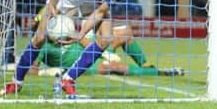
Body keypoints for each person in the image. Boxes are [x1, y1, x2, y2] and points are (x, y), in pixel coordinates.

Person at [1, 0, 142, 97]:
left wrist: (81, 34)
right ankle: (16, 82)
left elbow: (100, 12)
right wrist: (51, 5)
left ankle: (68, 80)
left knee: (106, 38)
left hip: (91, 0)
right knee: (40, 37)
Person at [29, 26, 184, 78]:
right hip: (85, 65)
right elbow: (32, 70)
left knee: (125, 32)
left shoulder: (61, 28)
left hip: (92, 48)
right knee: (114, 67)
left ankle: (145, 65)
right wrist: (49, 72)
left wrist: (104, 52)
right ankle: (159, 73)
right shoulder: (42, 45)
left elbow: (83, 40)